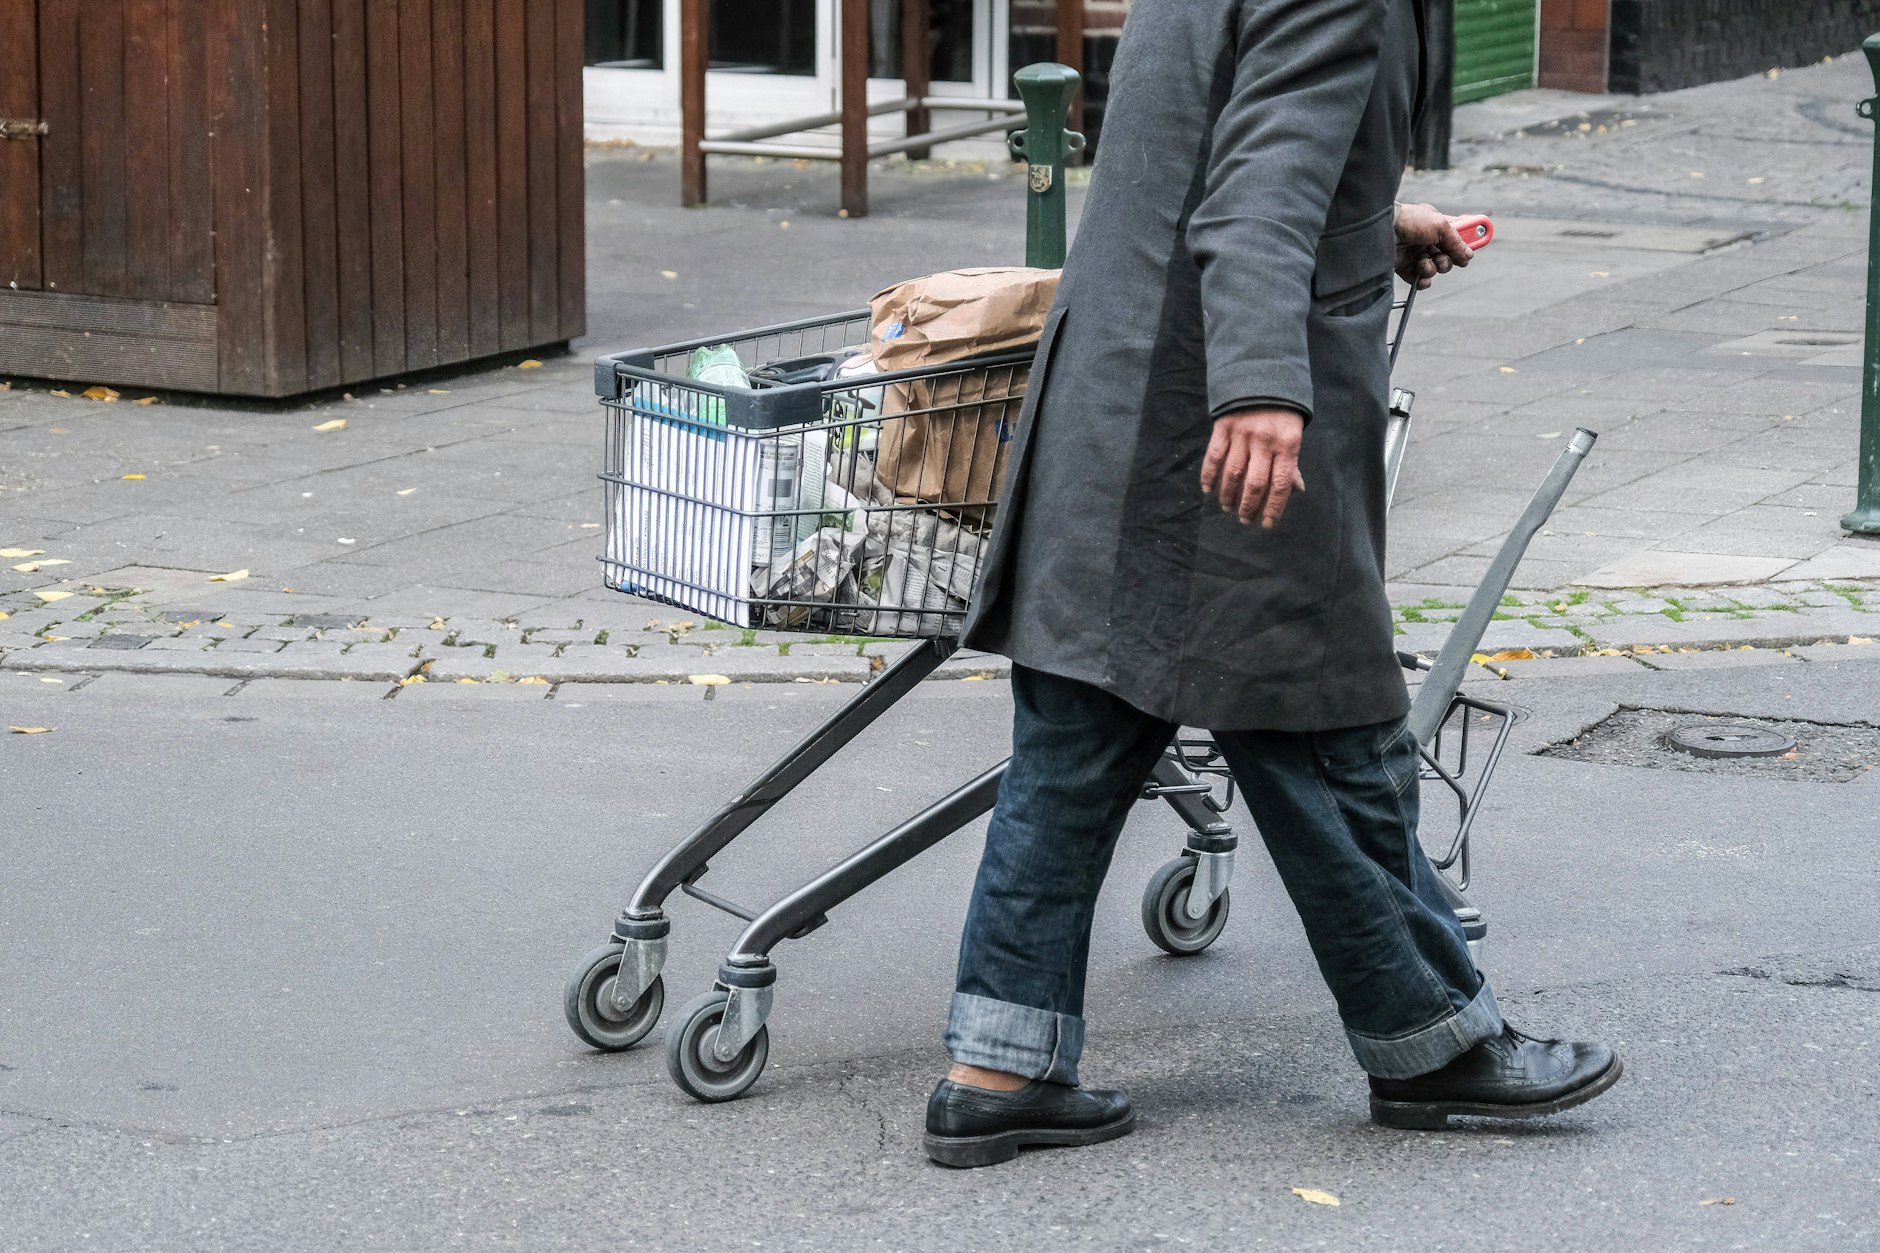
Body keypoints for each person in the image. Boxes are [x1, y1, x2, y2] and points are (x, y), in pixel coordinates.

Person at [922, 0, 1622, 1169]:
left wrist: (1368, 222)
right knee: (1322, 722)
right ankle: (1431, 1044)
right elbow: (1249, 198)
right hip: (1207, 419)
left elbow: (1211, 137)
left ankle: (997, 1065)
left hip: (1117, 394)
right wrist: (1256, 385)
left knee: (1080, 727)